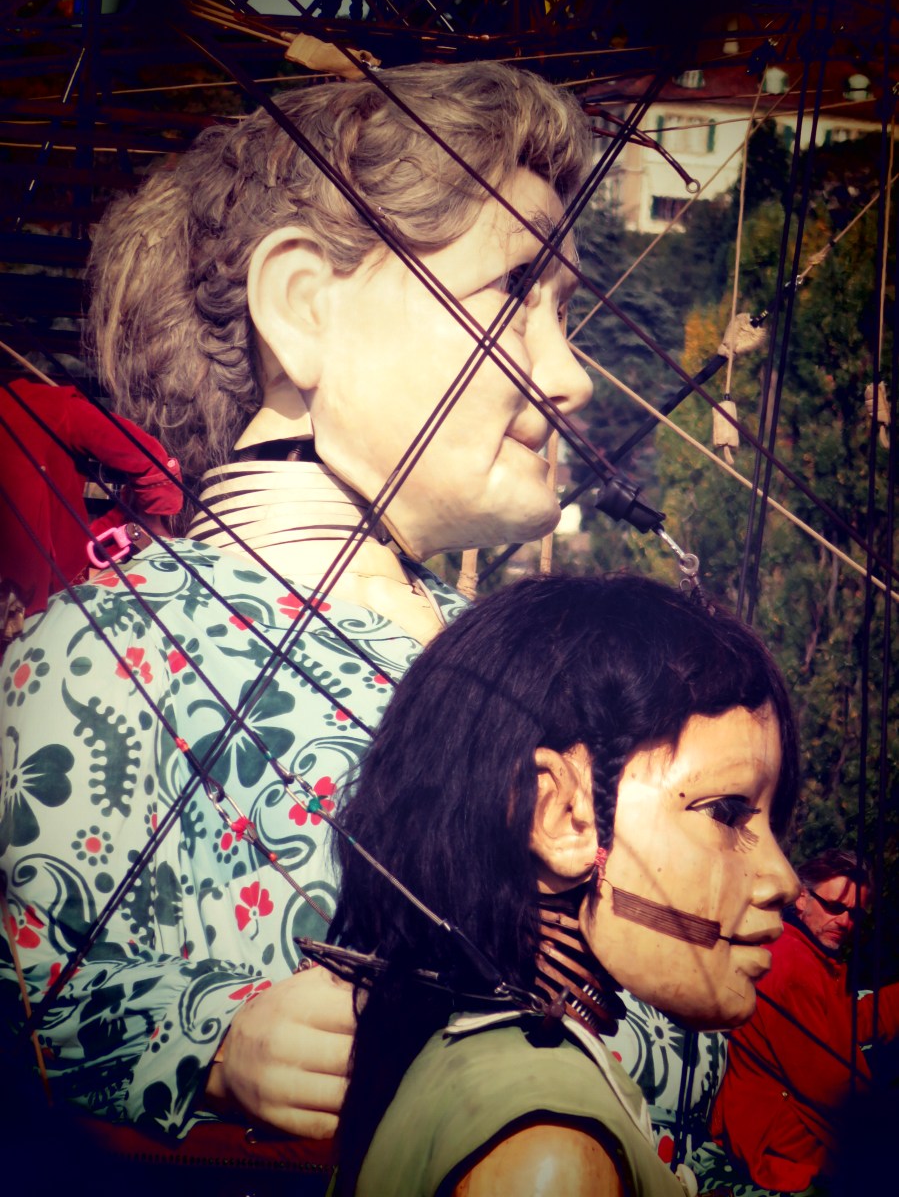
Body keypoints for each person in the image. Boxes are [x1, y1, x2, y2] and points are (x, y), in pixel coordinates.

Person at [0, 60, 593, 1153]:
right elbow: (30, 975)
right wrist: (209, 1040)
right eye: (514, 294)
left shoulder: (513, 662)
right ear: (304, 308)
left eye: (565, 311)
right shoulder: (102, 651)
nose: (570, 375)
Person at [328, 573, 801, 1196]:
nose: (783, 879)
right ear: (560, 815)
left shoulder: (480, 1075)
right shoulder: (549, 1154)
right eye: (728, 811)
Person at [711, 848, 899, 1192]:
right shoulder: (791, 963)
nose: (845, 922)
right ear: (802, 898)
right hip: (773, 1138)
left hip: (784, 1121)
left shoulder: (810, 957)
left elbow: (845, 1022)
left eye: (856, 913)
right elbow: (830, 1080)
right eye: (834, 907)